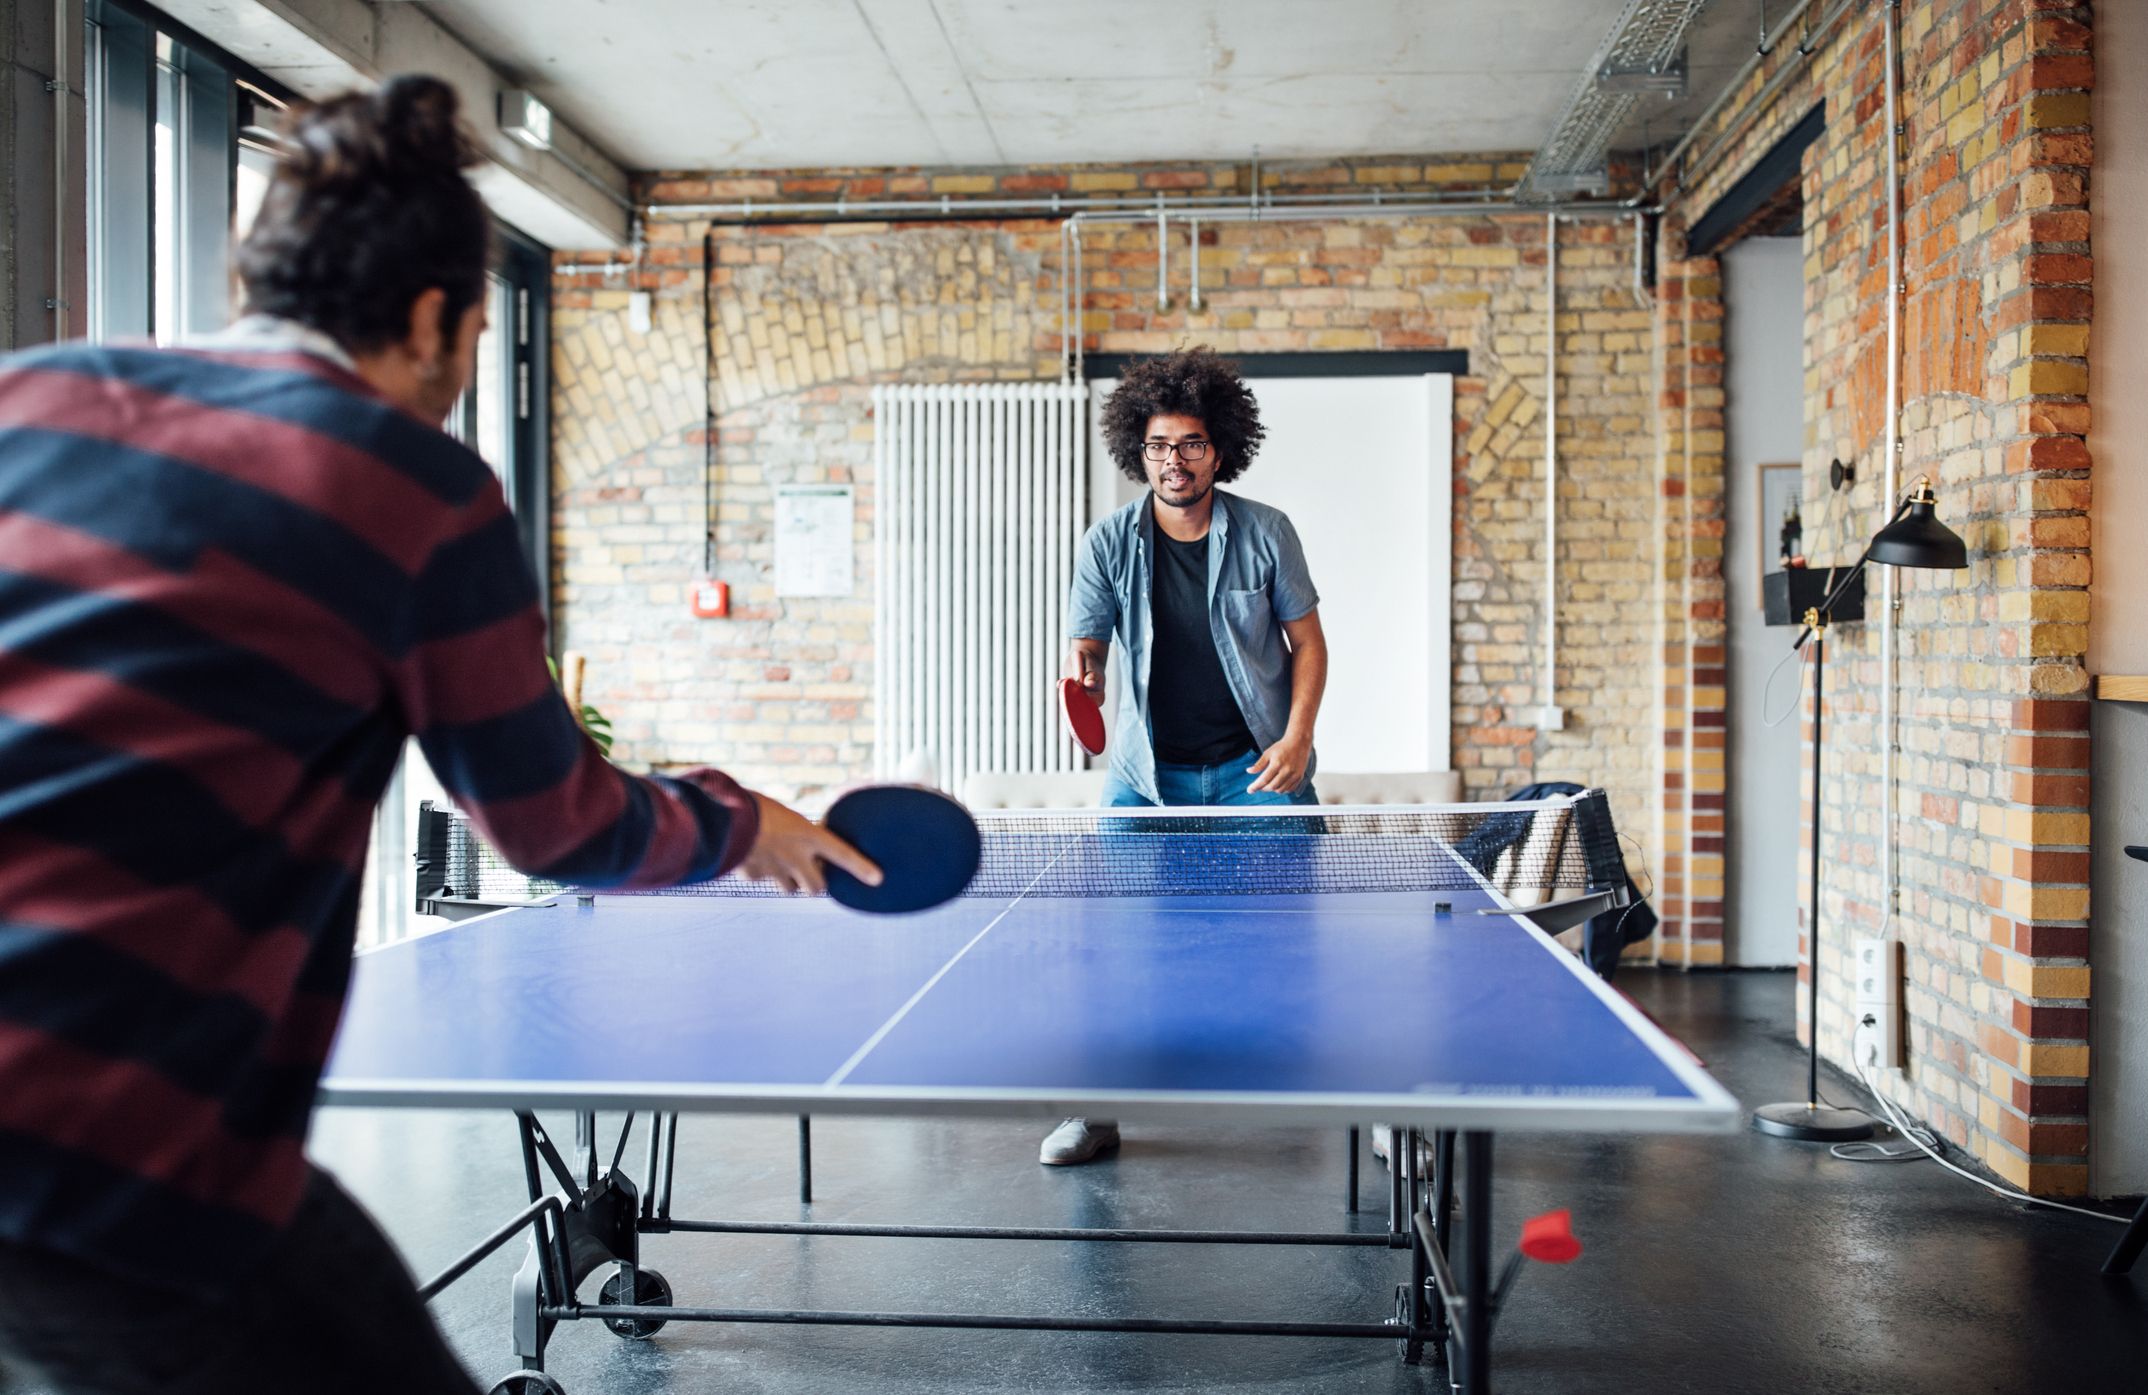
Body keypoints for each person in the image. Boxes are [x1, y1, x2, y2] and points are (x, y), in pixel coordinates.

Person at [0, 77, 875, 1395]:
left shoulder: (32, 394)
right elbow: (558, 823)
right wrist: (748, 820)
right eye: (473, 337)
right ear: (432, 320)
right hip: (98, 1136)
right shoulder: (406, 481)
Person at [1043, 346, 1329, 1166]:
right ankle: (1095, 1110)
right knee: (1109, 946)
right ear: (1141, 449)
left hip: (1255, 772)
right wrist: (1084, 671)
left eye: (1192, 443)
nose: (1175, 460)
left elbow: (1309, 646)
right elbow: (1085, 649)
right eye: (1160, 445)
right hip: (1147, 776)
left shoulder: (1267, 532)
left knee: (1315, 936)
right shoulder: (1107, 542)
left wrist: (1298, 738)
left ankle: (1374, 1108)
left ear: (1220, 448)